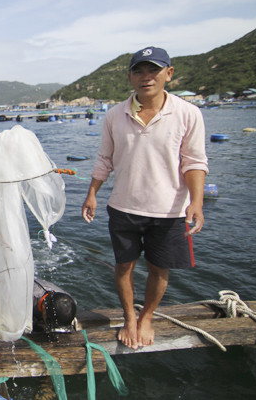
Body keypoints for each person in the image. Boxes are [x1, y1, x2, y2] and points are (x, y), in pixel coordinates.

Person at [81, 47, 208, 350]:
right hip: (123, 207)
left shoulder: (188, 113)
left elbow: (194, 162)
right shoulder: (115, 115)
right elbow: (104, 159)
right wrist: (92, 193)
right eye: (139, 71)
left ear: (169, 73)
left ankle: (147, 315)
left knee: (157, 268)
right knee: (123, 267)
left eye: (153, 70)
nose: (146, 77)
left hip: (169, 211)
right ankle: (129, 316)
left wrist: (197, 202)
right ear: (130, 77)